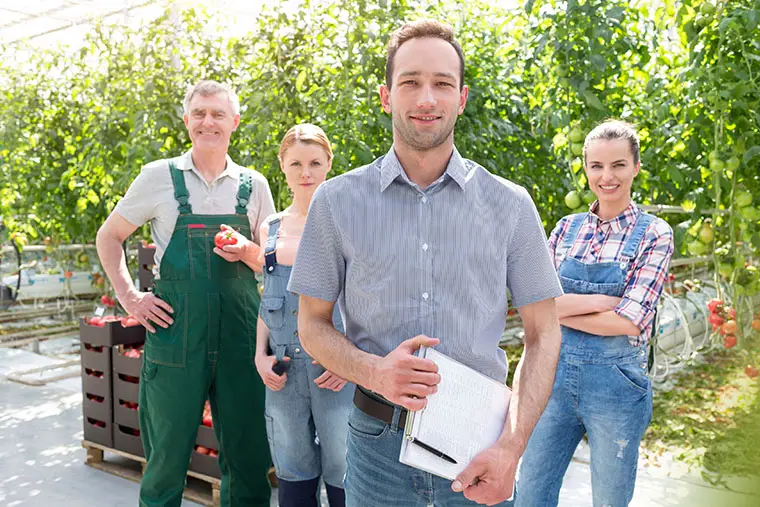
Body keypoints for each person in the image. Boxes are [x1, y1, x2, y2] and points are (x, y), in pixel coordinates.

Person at [287, 20, 563, 507]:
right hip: (376, 450)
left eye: (442, 83)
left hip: (480, 450)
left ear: (462, 98)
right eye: (410, 82)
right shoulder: (336, 202)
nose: (426, 98)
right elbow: (311, 325)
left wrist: (512, 447)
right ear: (385, 96)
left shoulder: (511, 205)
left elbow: (544, 334)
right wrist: (375, 372)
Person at [96, 80, 275, 507]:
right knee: (165, 461)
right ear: (186, 120)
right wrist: (130, 298)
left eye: (218, 114)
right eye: (199, 113)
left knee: (249, 460)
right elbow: (109, 236)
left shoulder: (254, 185)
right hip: (175, 335)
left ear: (234, 122)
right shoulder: (158, 177)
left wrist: (248, 251)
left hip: (240, 336)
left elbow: (272, 261)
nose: (208, 122)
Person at [513, 120, 674, 507]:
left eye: (618, 165)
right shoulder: (565, 229)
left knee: (609, 500)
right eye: (597, 166)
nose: (607, 177)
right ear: (585, 168)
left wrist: (558, 310)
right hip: (551, 379)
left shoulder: (654, 234)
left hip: (616, 389)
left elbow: (627, 322)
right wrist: (603, 301)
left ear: (636, 167)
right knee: (530, 492)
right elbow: (533, 307)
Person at [254, 124, 352, 507]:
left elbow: (363, 301)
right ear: (282, 165)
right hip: (283, 368)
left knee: (344, 465)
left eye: (314, 163)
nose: (305, 172)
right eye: (296, 163)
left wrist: (350, 362)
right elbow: (268, 298)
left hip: (333, 368)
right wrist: (259, 355)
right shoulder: (271, 227)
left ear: (329, 163)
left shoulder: (346, 222)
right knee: (292, 467)